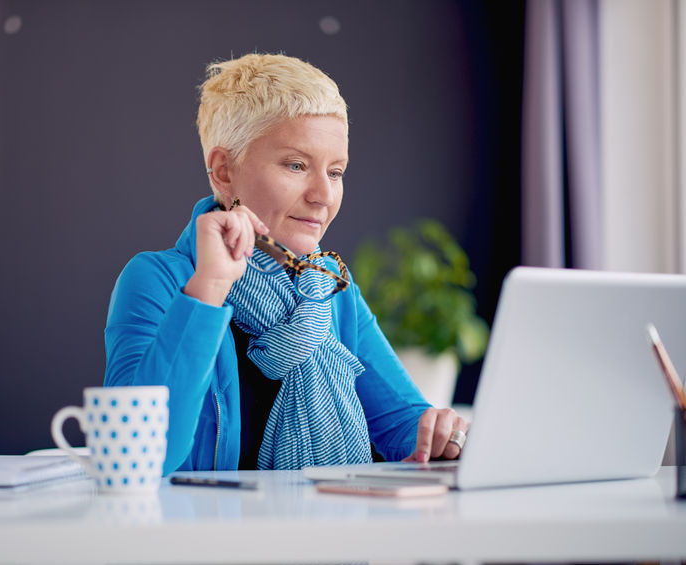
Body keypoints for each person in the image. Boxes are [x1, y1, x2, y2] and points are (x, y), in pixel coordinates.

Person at [104, 53, 469, 473]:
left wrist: (439, 433)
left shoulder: (329, 289)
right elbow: (135, 457)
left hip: (326, 528)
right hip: (205, 537)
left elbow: (402, 425)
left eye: (335, 172)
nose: (323, 195)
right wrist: (209, 287)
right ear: (223, 171)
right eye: (296, 165)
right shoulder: (157, 281)